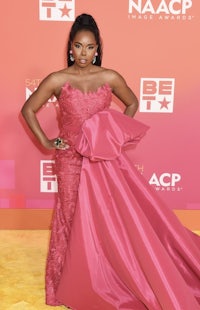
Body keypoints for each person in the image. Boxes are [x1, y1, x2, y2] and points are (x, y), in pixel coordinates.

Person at [21, 13, 200, 310]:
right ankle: (64, 287)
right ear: (70, 48)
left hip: (102, 161)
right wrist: (46, 141)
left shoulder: (110, 77)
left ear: (97, 49)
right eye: (78, 46)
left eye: (89, 47)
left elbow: (132, 102)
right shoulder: (57, 79)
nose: (83, 53)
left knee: (105, 221)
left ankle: (105, 280)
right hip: (70, 161)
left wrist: (113, 133)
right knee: (70, 219)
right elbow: (29, 109)